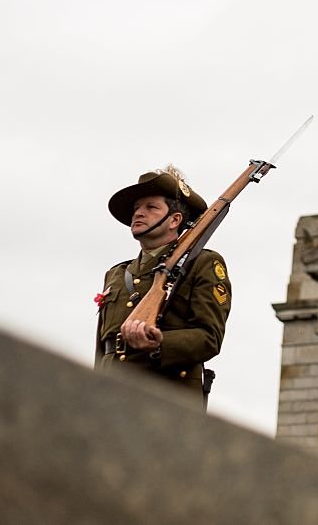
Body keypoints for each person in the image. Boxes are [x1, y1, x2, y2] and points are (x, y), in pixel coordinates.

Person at [94, 166, 231, 407]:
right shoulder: (116, 274)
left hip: (167, 400)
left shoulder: (203, 263)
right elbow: (103, 347)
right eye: (137, 208)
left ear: (174, 220)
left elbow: (209, 337)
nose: (138, 213)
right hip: (111, 397)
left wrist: (160, 344)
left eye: (151, 207)